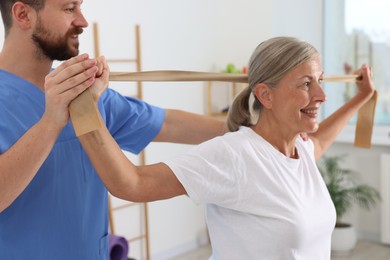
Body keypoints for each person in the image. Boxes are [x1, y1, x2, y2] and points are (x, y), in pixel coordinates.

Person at [77, 36, 376, 259]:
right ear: (265, 96)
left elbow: (321, 141)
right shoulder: (235, 155)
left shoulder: (300, 149)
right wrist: (85, 109)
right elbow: (134, 184)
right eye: (306, 84)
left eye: (320, 80)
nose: (322, 94)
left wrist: (360, 98)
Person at [0, 0, 227, 259]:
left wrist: (247, 129)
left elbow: (165, 123)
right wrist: (51, 121)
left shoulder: (84, 95)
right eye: (69, 8)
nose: (82, 21)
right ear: (23, 15)